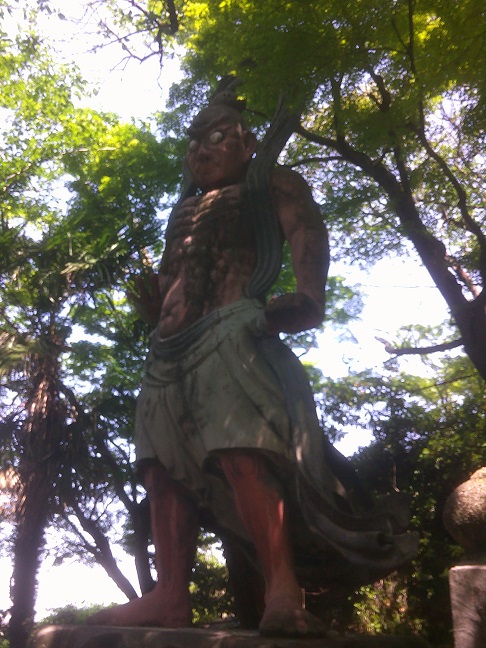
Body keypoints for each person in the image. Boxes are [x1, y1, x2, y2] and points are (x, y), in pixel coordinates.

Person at [90, 88, 417, 638]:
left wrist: (309, 295)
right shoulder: (183, 208)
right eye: (193, 144)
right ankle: (169, 595)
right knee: (160, 469)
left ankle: (282, 589)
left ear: (247, 143)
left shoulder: (270, 183)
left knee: (244, 452)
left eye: (216, 138)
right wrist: (155, 307)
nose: (201, 151)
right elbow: (176, 274)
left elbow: (305, 227)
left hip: (230, 330)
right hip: (167, 351)